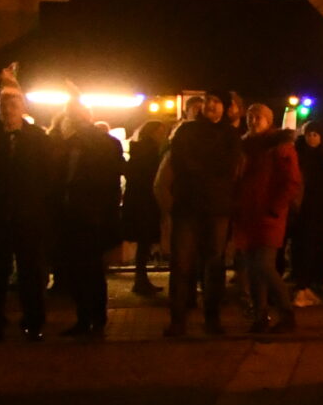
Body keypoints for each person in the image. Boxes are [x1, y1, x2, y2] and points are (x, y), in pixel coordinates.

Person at [0, 77, 57, 341]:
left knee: (31, 271)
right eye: (4, 104)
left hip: (27, 215)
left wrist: (36, 203)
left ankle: (33, 322)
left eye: (13, 103)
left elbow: (49, 175)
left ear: (22, 106)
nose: (8, 109)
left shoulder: (37, 137)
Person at [158, 92, 239, 337]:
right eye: (208, 100)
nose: (211, 105)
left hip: (217, 209)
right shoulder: (187, 131)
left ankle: (212, 319)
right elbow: (179, 162)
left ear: (225, 108)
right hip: (188, 207)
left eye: (217, 101)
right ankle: (178, 320)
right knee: (182, 265)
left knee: (213, 265)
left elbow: (231, 168)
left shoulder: (230, 135)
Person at [230, 103, 303, 336]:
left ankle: (286, 313)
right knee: (253, 269)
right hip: (247, 215)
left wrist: (275, 207)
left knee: (263, 265)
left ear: (269, 120)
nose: (253, 121)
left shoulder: (278, 146)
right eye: (250, 117)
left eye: (258, 117)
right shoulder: (243, 145)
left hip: (268, 215)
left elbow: (291, 180)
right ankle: (260, 316)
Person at [55, 100, 125, 338]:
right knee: (84, 269)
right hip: (78, 214)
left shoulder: (96, 144)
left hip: (90, 215)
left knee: (89, 269)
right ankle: (89, 317)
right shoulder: (74, 144)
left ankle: (92, 317)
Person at [123, 117, 168, 298]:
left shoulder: (138, 150)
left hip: (138, 201)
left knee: (144, 242)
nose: (163, 135)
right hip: (146, 202)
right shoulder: (151, 151)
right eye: (160, 132)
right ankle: (141, 280)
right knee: (145, 241)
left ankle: (140, 279)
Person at [291, 121, 323, 302]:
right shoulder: (300, 154)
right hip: (303, 207)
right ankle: (301, 285)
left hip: (319, 207)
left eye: (315, 135)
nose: (312, 138)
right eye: (309, 134)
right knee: (303, 245)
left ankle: (308, 283)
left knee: (314, 245)